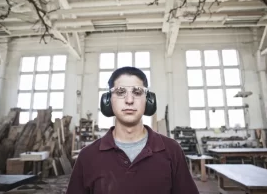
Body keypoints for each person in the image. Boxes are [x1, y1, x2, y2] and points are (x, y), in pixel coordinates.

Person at [66, 66, 199, 194]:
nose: (129, 100)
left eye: (137, 92)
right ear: (107, 101)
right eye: (120, 92)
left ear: (148, 100)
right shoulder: (87, 156)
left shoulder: (172, 150)